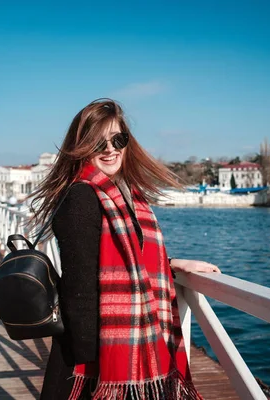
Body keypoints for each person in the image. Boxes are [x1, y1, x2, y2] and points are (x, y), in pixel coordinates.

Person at [28, 99, 221, 400]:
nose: (110, 149)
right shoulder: (82, 196)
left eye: (118, 139)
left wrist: (171, 264)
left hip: (114, 344)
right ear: (82, 146)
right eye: (98, 142)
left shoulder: (123, 194)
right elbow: (80, 285)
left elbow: (122, 261)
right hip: (93, 356)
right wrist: (95, 364)